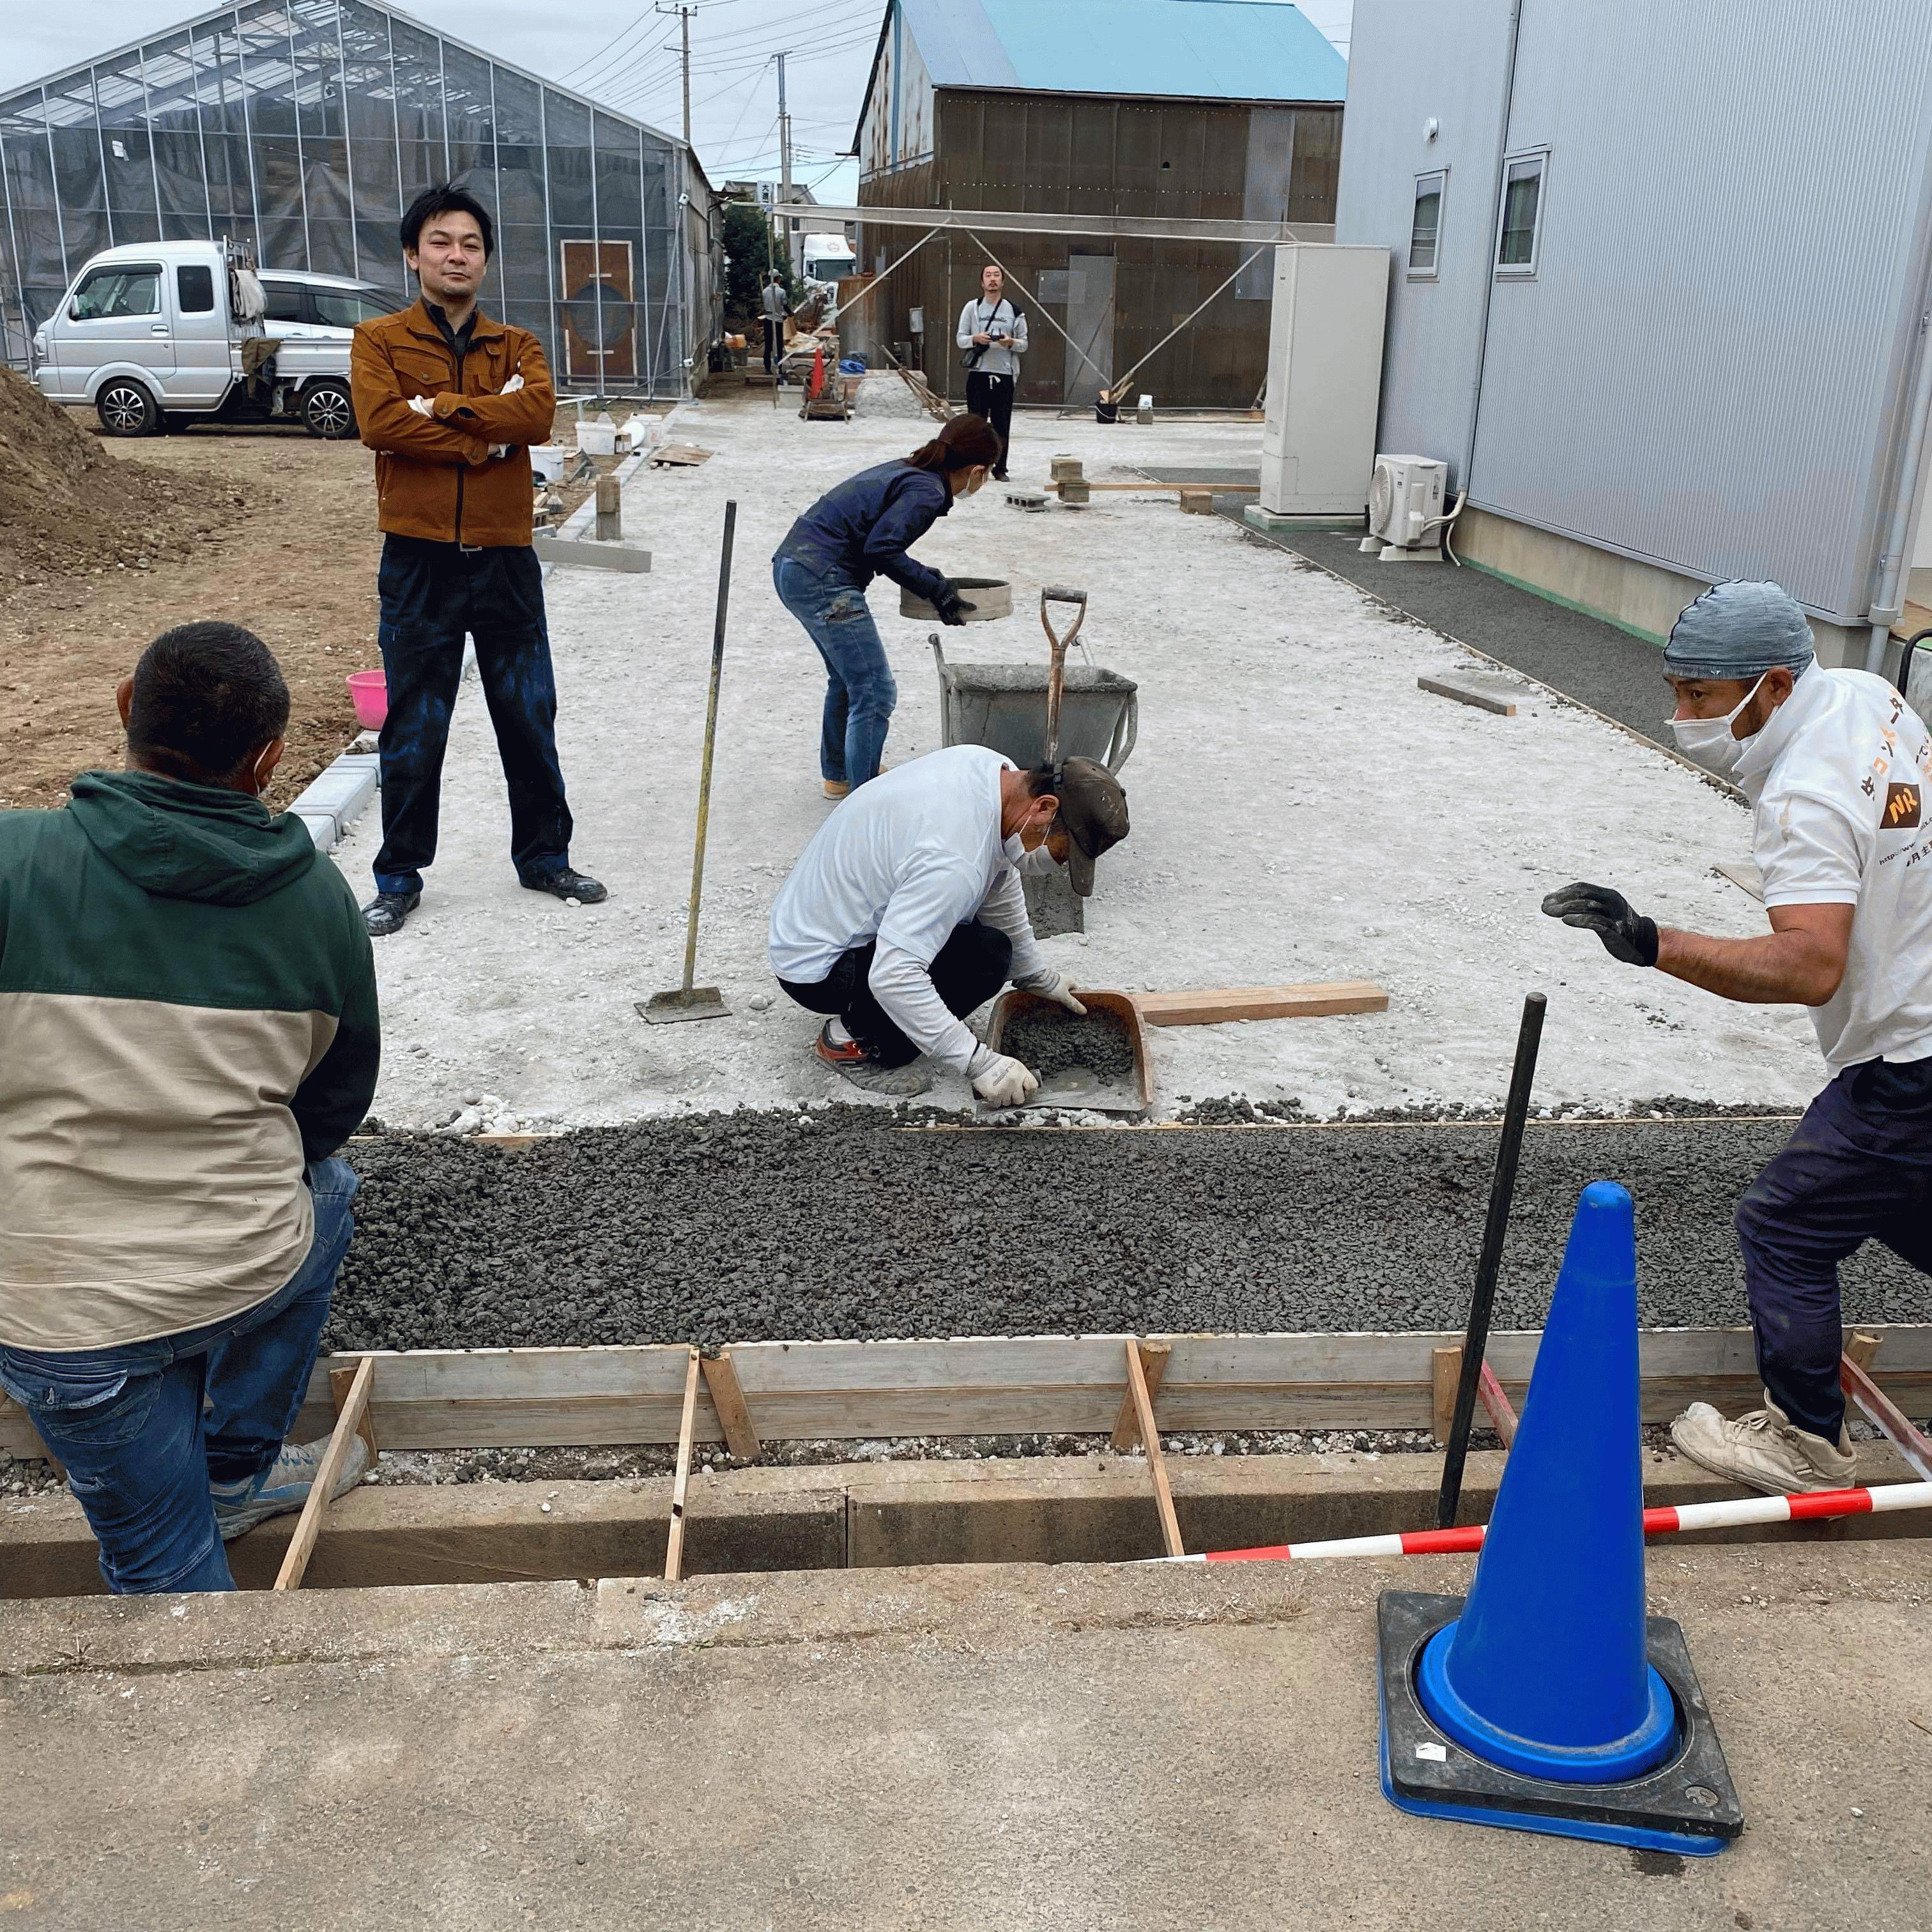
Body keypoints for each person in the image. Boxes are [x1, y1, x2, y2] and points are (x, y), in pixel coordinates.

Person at [0, 622, 381, 1593]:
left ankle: (215, 1489)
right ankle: (232, 1466)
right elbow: (329, 1110)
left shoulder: (13, 862)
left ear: (127, 705)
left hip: (54, 1313)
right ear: (268, 760)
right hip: (237, 1267)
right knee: (326, 1189)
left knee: (164, 1569)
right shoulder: (320, 909)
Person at [1543, 580, 1932, 1494]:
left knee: (1787, 1225)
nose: (1682, 715)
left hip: (1911, 1056)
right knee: (1903, 1200)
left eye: (1703, 698)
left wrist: (1652, 943)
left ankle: (1804, 1445)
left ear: (1774, 686)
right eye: (1676, 689)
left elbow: (1808, 965)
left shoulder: (1804, 801)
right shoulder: (1869, 697)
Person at [349, 183, 606, 939]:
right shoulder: (379, 341)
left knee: (528, 715)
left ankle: (544, 857)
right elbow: (379, 423)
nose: (456, 255)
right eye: (440, 242)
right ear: (412, 254)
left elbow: (537, 413)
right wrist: (485, 438)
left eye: (470, 244)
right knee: (415, 725)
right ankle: (397, 876)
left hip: (504, 562)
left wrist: (445, 408)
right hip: (419, 563)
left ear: (486, 260)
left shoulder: (516, 346)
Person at [769, 746, 1130, 1100]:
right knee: (984, 961)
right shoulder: (953, 858)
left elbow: (997, 883)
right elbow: (895, 975)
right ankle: (849, 1041)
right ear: (1045, 807)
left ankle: (871, 1021)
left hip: (819, 923)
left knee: (990, 947)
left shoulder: (991, 772)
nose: (1059, 864)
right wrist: (978, 1062)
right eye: (1063, 852)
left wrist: (1036, 975)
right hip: (819, 968)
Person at [772, 413, 1002, 798]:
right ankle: (866, 801)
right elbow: (881, 548)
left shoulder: (912, 471)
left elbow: (877, 539)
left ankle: (842, 775)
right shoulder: (927, 490)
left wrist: (929, 578)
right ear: (979, 471)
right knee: (875, 689)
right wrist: (937, 590)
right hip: (823, 580)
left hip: (795, 566)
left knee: (848, 680)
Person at [956, 263, 1026, 482]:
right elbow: (960, 339)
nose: (992, 279)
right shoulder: (972, 308)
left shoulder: (1014, 311)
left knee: (1001, 424)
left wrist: (1010, 342)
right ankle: (975, 467)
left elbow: (1024, 344)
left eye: (997, 275)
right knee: (976, 425)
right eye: (988, 275)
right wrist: (975, 339)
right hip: (979, 374)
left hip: (1004, 375)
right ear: (982, 282)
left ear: (1003, 282)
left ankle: (1000, 468)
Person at [760, 270, 788, 375]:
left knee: (768, 345)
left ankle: (767, 368)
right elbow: (784, 306)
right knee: (779, 344)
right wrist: (790, 314)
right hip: (778, 321)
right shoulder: (781, 292)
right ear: (778, 279)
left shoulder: (765, 291)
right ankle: (780, 368)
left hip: (768, 320)